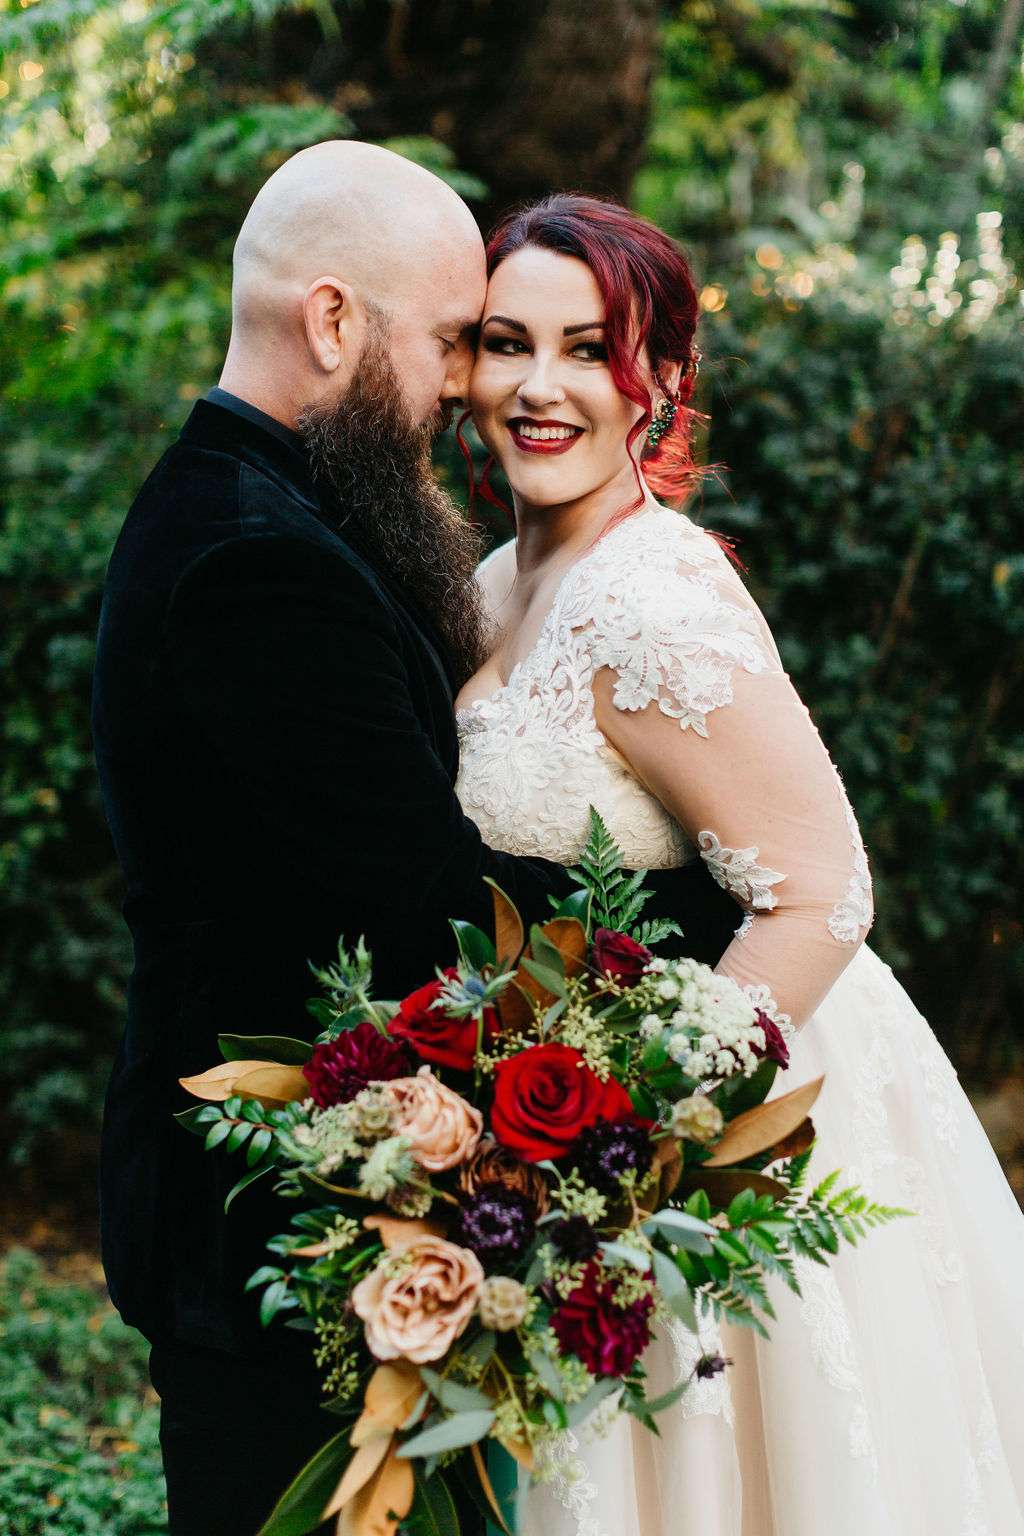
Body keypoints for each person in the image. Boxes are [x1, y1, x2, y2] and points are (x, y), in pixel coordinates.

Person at [91, 147, 739, 1536]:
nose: (466, 386)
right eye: (452, 340)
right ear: (333, 321)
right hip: (262, 1226)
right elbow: (426, 904)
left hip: (322, 1201)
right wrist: (713, 913)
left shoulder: (269, 508)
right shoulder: (254, 559)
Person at [454, 193, 1024, 1536]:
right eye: (506, 342)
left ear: (657, 381)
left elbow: (822, 891)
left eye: (589, 350)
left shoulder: (648, 598)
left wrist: (635, 1137)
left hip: (720, 1117)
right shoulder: (486, 585)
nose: (539, 388)